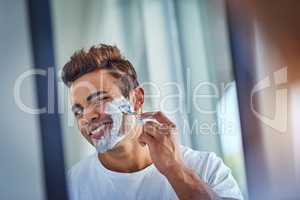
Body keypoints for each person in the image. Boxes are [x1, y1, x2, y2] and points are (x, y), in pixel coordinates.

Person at [62, 44, 243, 200]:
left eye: (99, 99)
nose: (87, 117)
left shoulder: (206, 168)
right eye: (78, 111)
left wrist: (175, 170)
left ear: (137, 99)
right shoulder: (70, 187)